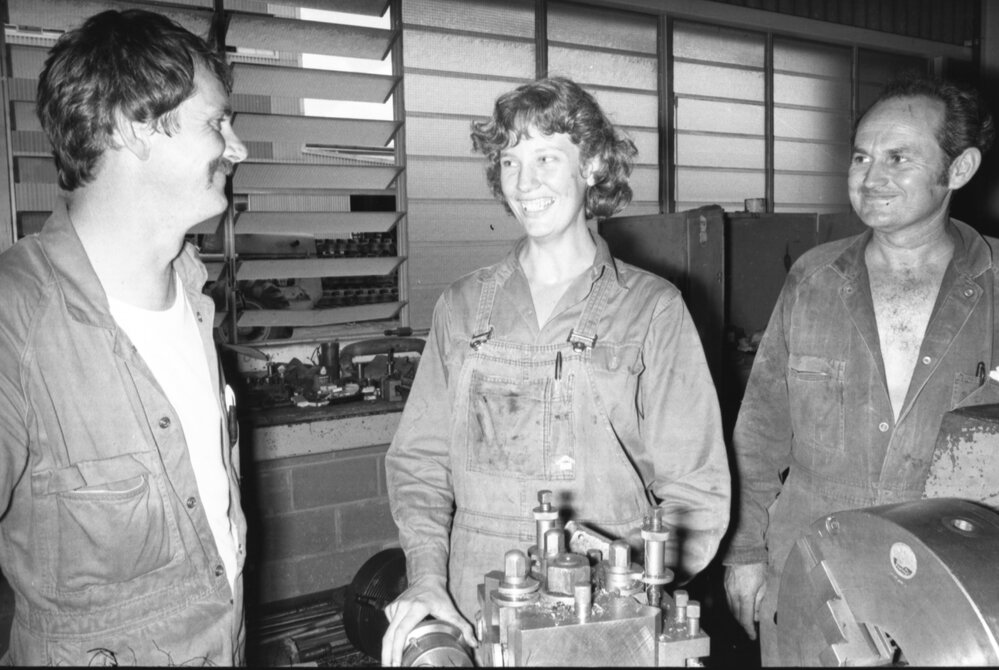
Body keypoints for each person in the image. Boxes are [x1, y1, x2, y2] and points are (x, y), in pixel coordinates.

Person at [381, 76, 731, 666]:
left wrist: (624, 594)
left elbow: (697, 492)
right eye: (509, 162)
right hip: (476, 612)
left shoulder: (652, 309)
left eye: (545, 157)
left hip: (609, 623)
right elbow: (419, 463)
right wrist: (425, 576)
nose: (524, 183)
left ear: (591, 164)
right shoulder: (461, 308)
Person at [0, 9, 249, 665]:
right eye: (216, 124)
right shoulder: (14, 318)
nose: (238, 149)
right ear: (135, 127)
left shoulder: (196, 298)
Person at [723, 74, 995, 666]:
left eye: (899, 158)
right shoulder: (813, 279)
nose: (871, 178)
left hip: (952, 589)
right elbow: (760, 432)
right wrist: (743, 554)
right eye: (861, 157)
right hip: (812, 577)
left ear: (959, 168)